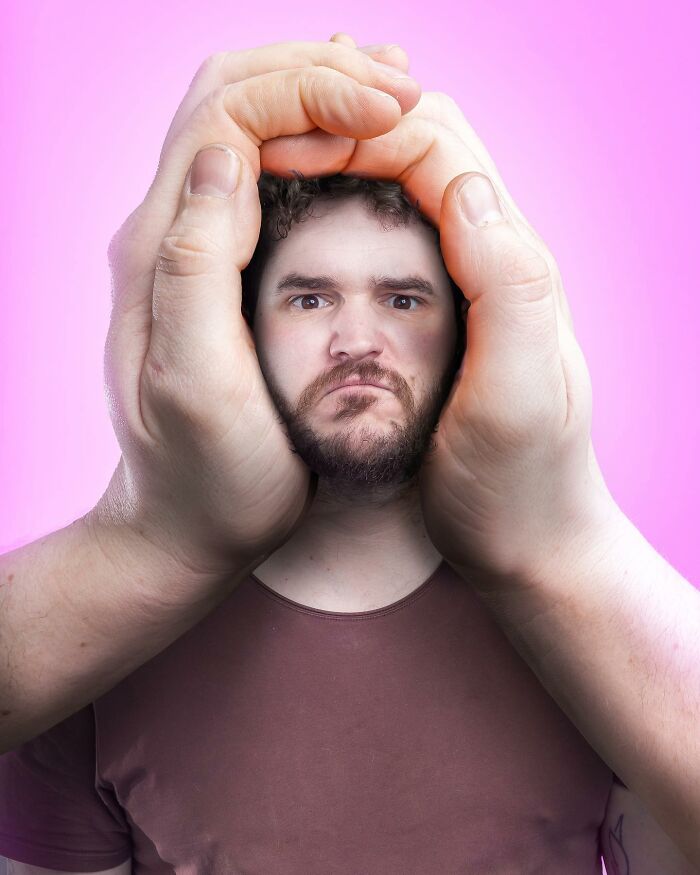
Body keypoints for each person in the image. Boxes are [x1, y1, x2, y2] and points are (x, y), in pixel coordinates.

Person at [0, 33, 699, 874]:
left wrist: (569, 543)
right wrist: (152, 542)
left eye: (404, 299)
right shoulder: (89, 656)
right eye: (309, 298)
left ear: (470, 329)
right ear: (235, 329)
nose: (357, 340)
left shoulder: (606, 650)